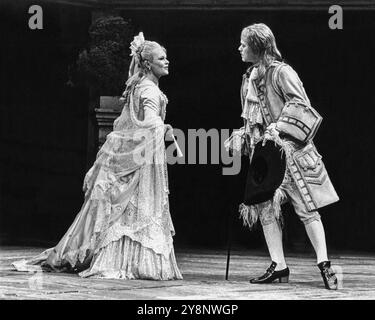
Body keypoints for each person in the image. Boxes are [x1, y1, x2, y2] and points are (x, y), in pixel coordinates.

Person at [12, 32, 183, 281]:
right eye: (161, 58)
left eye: (166, 57)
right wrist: (163, 127)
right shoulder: (148, 91)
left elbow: (129, 123)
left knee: (126, 210)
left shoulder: (138, 86)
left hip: (137, 155)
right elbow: (148, 122)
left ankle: (126, 256)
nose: (167, 61)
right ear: (148, 64)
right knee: (133, 209)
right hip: (141, 159)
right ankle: (131, 261)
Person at [230, 23, 339, 289]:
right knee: (266, 209)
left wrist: (279, 126)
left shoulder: (282, 72)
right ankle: (279, 266)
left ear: (258, 45)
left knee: (306, 208)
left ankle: (324, 264)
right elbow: (252, 117)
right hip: (265, 155)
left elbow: (301, 104)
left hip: (290, 151)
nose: (240, 48)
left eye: (244, 44)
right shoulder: (249, 77)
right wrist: (243, 135)